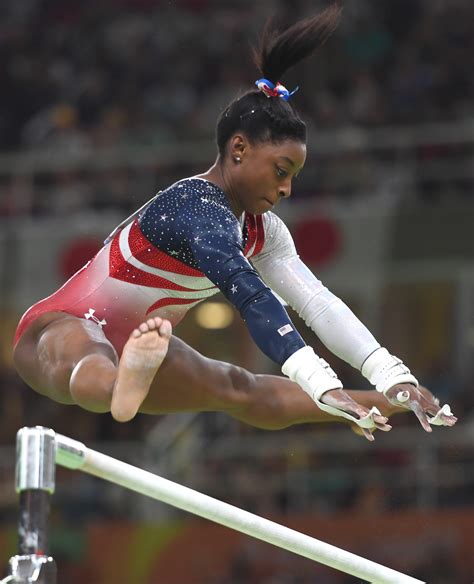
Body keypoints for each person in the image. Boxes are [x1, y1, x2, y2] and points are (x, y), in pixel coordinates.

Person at [12, 4, 456, 442]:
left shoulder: (264, 233)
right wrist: (318, 379)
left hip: (140, 345)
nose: (286, 190)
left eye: (293, 178)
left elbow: (318, 305)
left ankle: (380, 405)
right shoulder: (195, 208)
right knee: (90, 357)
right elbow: (253, 298)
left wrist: (392, 379)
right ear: (238, 150)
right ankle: (117, 390)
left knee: (243, 391)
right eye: (281, 171)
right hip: (57, 330)